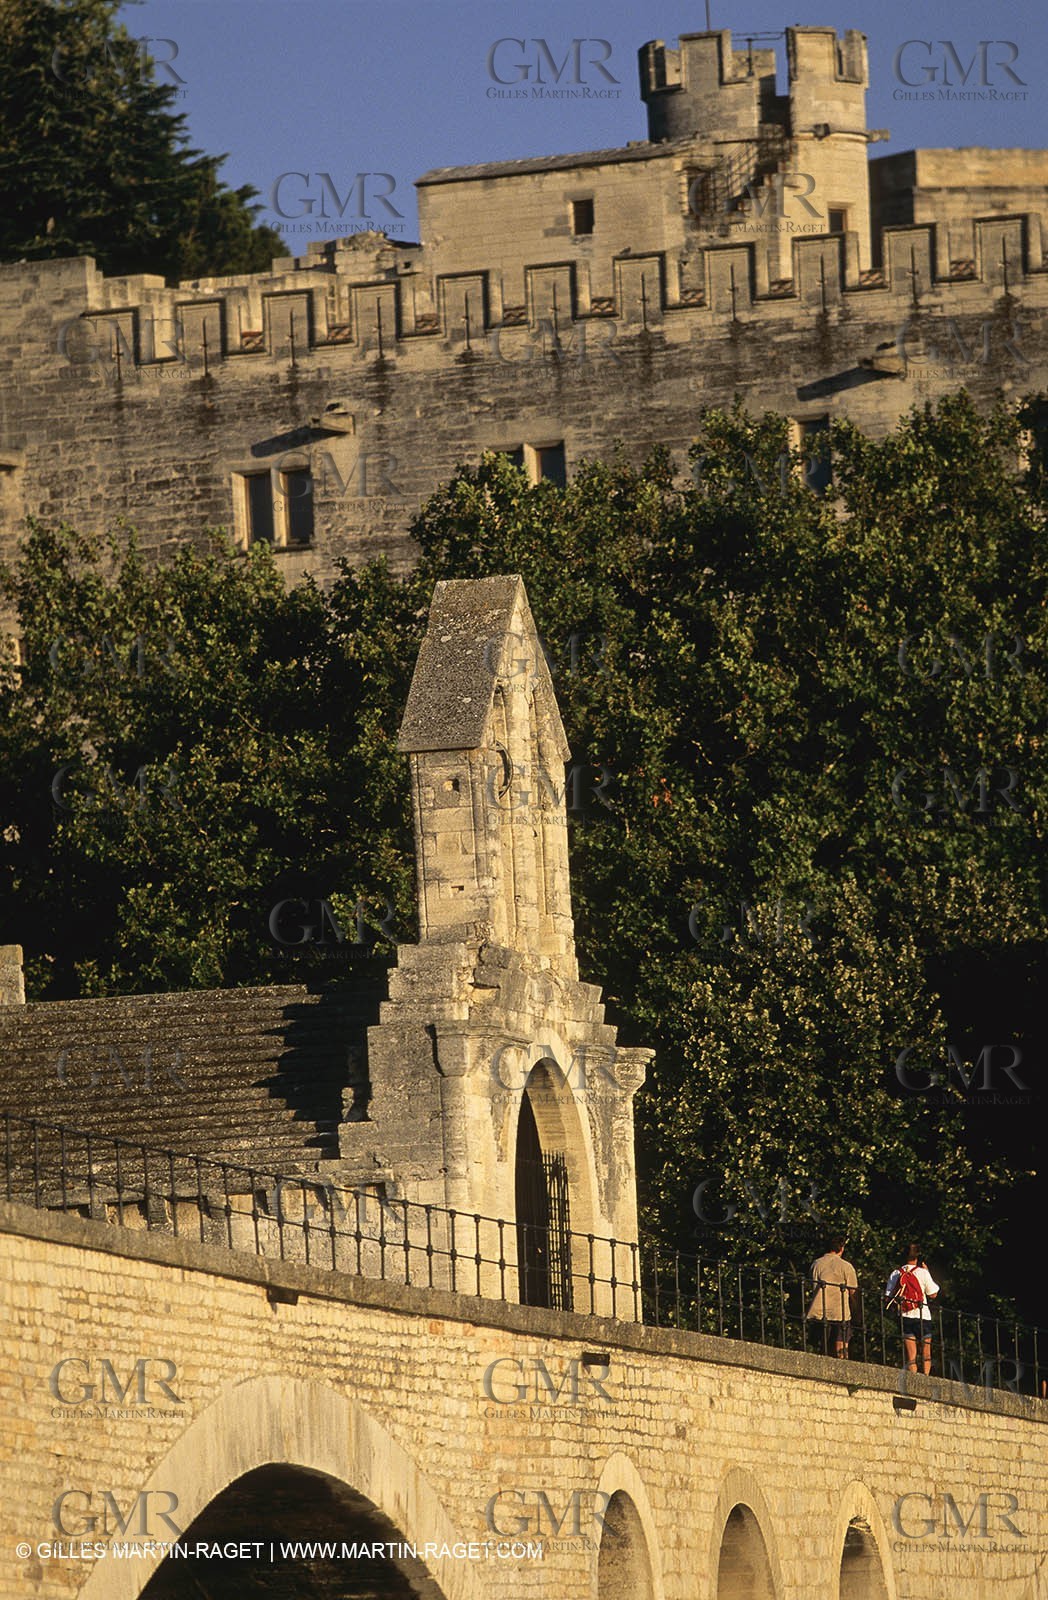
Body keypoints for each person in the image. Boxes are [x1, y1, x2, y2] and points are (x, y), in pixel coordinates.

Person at [885, 1244, 939, 1374]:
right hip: (923, 1316)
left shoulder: (896, 1273)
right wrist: (928, 1271)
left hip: (905, 1315)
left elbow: (888, 1297)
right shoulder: (922, 1272)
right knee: (926, 1352)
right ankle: (925, 1378)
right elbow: (933, 1294)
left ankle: (914, 1380)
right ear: (917, 1256)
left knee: (911, 1355)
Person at [807, 1236, 859, 1358]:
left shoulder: (816, 1264)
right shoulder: (846, 1266)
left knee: (823, 1345)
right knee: (841, 1344)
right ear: (841, 1248)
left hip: (819, 1310)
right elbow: (853, 1290)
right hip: (840, 1311)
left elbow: (811, 1283)